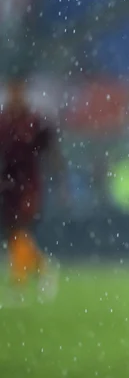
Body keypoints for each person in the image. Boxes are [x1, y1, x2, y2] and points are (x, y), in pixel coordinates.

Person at [0, 77, 65, 301]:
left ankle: (18, 282)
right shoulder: (4, 121)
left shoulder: (34, 121)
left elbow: (51, 151)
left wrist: (59, 180)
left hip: (29, 184)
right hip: (7, 184)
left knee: (19, 230)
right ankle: (43, 268)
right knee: (14, 233)